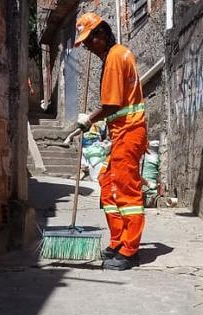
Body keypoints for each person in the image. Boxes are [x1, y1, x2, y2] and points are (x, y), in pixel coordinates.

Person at [73, 13, 148, 270]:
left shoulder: (115, 57)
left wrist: (88, 119)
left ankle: (129, 250)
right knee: (107, 182)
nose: (87, 47)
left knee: (127, 191)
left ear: (102, 35)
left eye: (89, 41)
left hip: (129, 131)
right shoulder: (115, 55)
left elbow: (111, 104)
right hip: (121, 133)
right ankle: (118, 241)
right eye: (83, 43)